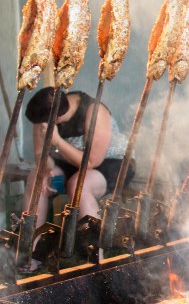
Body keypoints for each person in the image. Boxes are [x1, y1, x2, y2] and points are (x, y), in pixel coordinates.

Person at [23, 87, 132, 225]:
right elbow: (40, 154)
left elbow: (92, 162)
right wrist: (46, 170)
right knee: (36, 180)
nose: (40, 126)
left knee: (78, 186)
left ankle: (91, 243)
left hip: (110, 165)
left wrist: (57, 141)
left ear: (58, 119)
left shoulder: (94, 112)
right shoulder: (46, 111)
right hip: (69, 164)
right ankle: (32, 242)